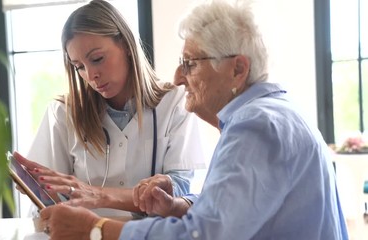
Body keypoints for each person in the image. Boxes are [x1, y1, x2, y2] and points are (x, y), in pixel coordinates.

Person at [37, 0, 349, 239]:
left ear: (238, 70)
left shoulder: (256, 127)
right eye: (79, 66)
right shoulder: (272, 114)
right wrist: (179, 206)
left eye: (190, 64)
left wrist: (97, 229)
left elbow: (204, 235)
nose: (178, 77)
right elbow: (232, 210)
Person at [15, 0, 205, 218]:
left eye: (97, 59)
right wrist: (39, 191)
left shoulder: (175, 102)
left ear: (125, 45)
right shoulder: (62, 114)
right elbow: (47, 205)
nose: (91, 75)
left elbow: (183, 192)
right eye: (79, 67)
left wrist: (100, 194)